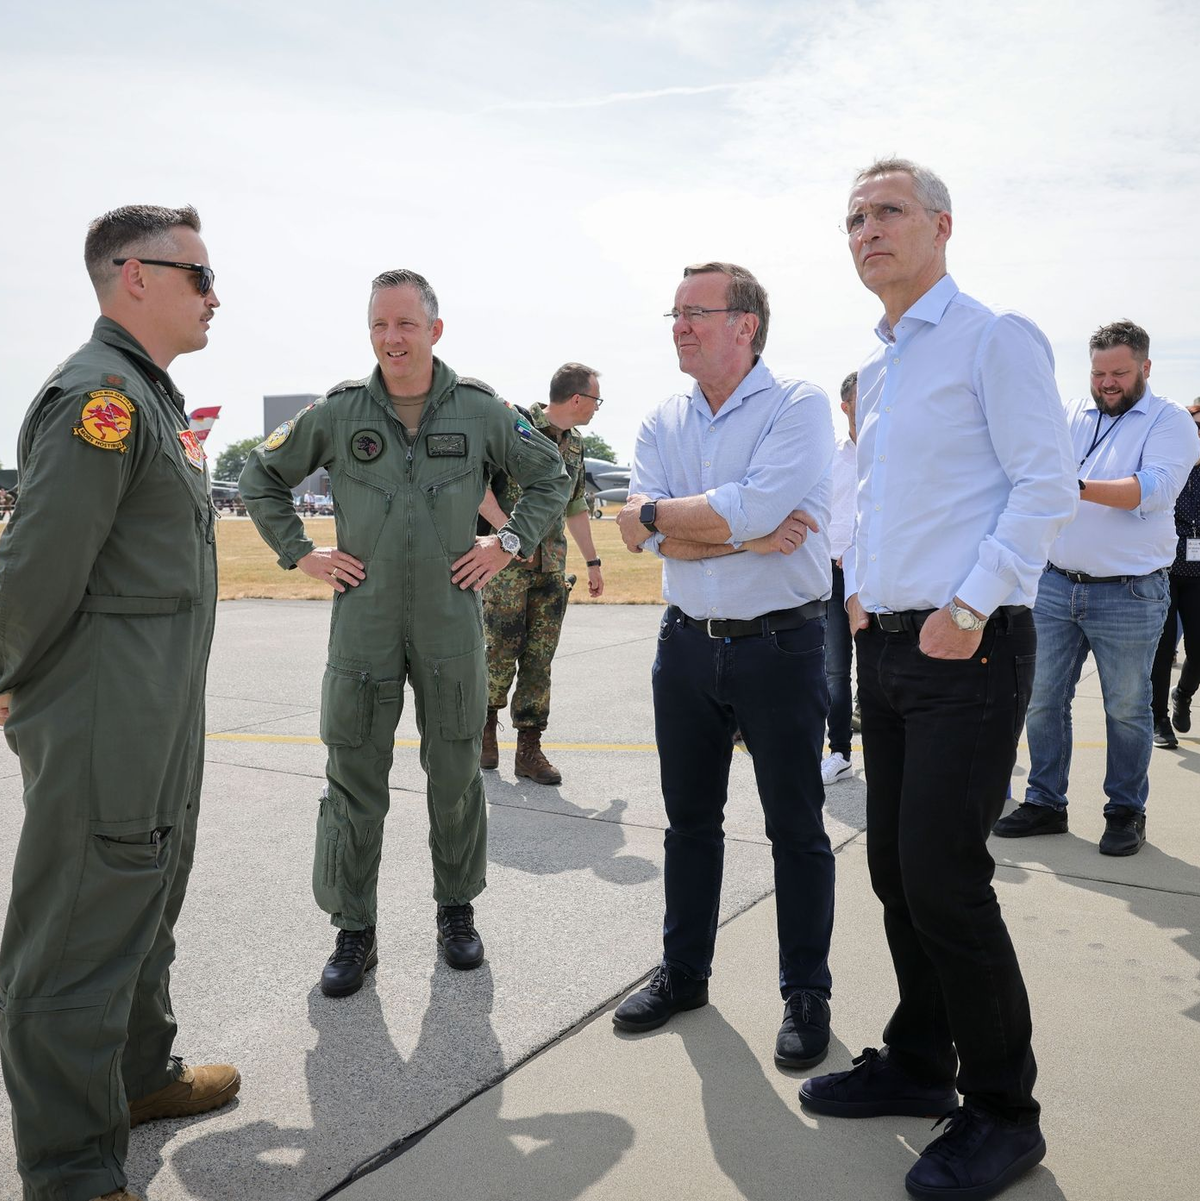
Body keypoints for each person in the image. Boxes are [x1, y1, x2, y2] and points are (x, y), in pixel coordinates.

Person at [799, 159, 1078, 1201]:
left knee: (947, 881)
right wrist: (865, 598)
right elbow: (883, 502)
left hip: (970, 645)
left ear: (942, 227)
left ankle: (1007, 1112)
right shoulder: (877, 368)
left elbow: (1044, 482)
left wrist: (968, 606)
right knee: (896, 874)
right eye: (854, 219)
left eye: (888, 213)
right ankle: (922, 1062)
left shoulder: (992, 337)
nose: (866, 231)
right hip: (892, 647)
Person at [239, 269, 568, 997]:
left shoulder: (483, 412)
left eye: (406, 324)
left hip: (452, 623)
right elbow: (259, 478)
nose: (392, 338)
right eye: (380, 326)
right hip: (364, 623)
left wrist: (506, 543)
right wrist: (300, 552)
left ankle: (457, 910)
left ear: (435, 331)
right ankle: (355, 929)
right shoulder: (339, 411)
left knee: (454, 779)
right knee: (353, 780)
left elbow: (551, 478)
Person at [0, 205, 238, 1201]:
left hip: (157, 708)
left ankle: (138, 1076)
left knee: (149, 890)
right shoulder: (100, 395)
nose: (214, 293)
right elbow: (37, 564)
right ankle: (68, 1167)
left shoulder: (148, 396)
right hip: (103, 712)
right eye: (198, 274)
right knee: (79, 929)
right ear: (133, 277)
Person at [611, 261, 838, 1073]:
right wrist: (732, 529)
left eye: (694, 312)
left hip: (781, 644)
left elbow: (751, 506)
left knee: (796, 827)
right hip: (687, 644)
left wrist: (678, 518)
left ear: (744, 324)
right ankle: (685, 973)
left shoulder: (799, 405)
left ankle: (805, 992)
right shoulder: (661, 419)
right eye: (673, 312)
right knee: (689, 823)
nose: (678, 324)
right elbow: (635, 531)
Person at [993, 322, 1197, 855]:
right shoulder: (1070, 412)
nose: (1107, 383)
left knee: (1126, 709)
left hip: (1129, 592)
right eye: (1098, 373)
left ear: (1146, 369)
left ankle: (1125, 811)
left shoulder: (1171, 421)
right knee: (1042, 700)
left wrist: (1072, 487)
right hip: (1056, 586)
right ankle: (1045, 803)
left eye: (1119, 373)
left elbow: (1153, 490)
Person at [479, 362, 605, 784]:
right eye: (595, 400)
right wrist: (510, 536)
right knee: (498, 654)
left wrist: (592, 562)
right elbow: (480, 489)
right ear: (576, 399)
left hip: (551, 569)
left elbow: (574, 506)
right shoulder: (516, 427)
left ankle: (529, 750)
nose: (597, 408)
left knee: (539, 661)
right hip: (505, 568)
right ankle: (483, 732)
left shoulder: (575, 445)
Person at [1150, 402, 1200, 745]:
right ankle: (1158, 720)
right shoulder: (1170, 468)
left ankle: (1182, 694)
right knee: (1163, 649)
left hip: (1197, 576)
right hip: (1163, 572)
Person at [822, 370, 859, 786]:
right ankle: (840, 752)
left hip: (878, 578)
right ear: (846, 406)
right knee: (834, 671)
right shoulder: (829, 456)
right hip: (832, 579)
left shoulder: (895, 454)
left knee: (882, 670)